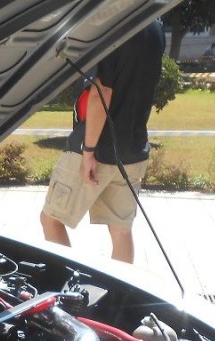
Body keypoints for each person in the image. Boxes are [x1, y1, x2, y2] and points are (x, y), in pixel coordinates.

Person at [39, 20, 165, 264]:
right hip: (134, 149)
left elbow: (101, 93)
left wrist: (89, 151)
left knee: (51, 219)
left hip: (97, 148)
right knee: (121, 231)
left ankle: (69, 292)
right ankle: (119, 299)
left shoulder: (111, 25)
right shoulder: (155, 25)